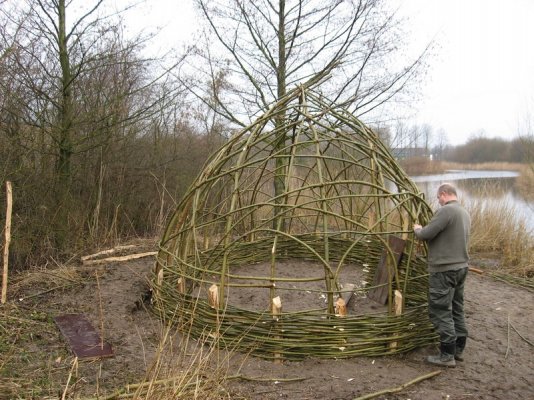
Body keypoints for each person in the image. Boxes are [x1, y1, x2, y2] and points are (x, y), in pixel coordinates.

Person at [413, 182, 471, 367]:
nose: (438, 202)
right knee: (456, 308)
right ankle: (459, 349)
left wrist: (417, 229)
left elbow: (426, 234)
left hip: (445, 270)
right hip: (461, 267)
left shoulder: (447, 211)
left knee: (440, 310)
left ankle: (447, 355)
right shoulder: (464, 212)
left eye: (438, 198)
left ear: (444, 194)